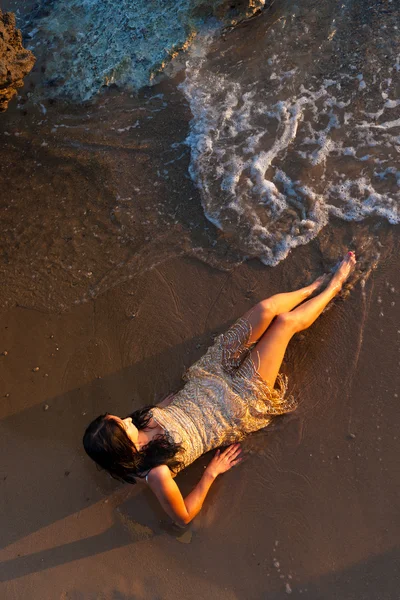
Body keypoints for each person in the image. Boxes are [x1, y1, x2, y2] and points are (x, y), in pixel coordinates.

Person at [83, 252, 356, 527]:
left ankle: (310, 289)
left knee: (264, 310)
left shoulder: (137, 427)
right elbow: (183, 517)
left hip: (208, 375)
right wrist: (211, 473)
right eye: (123, 424)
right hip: (236, 403)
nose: (128, 418)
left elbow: (164, 417)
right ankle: (334, 286)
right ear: (122, 446)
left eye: (120, 418)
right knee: (283, 324)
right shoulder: (156, 474)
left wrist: (164, 409)